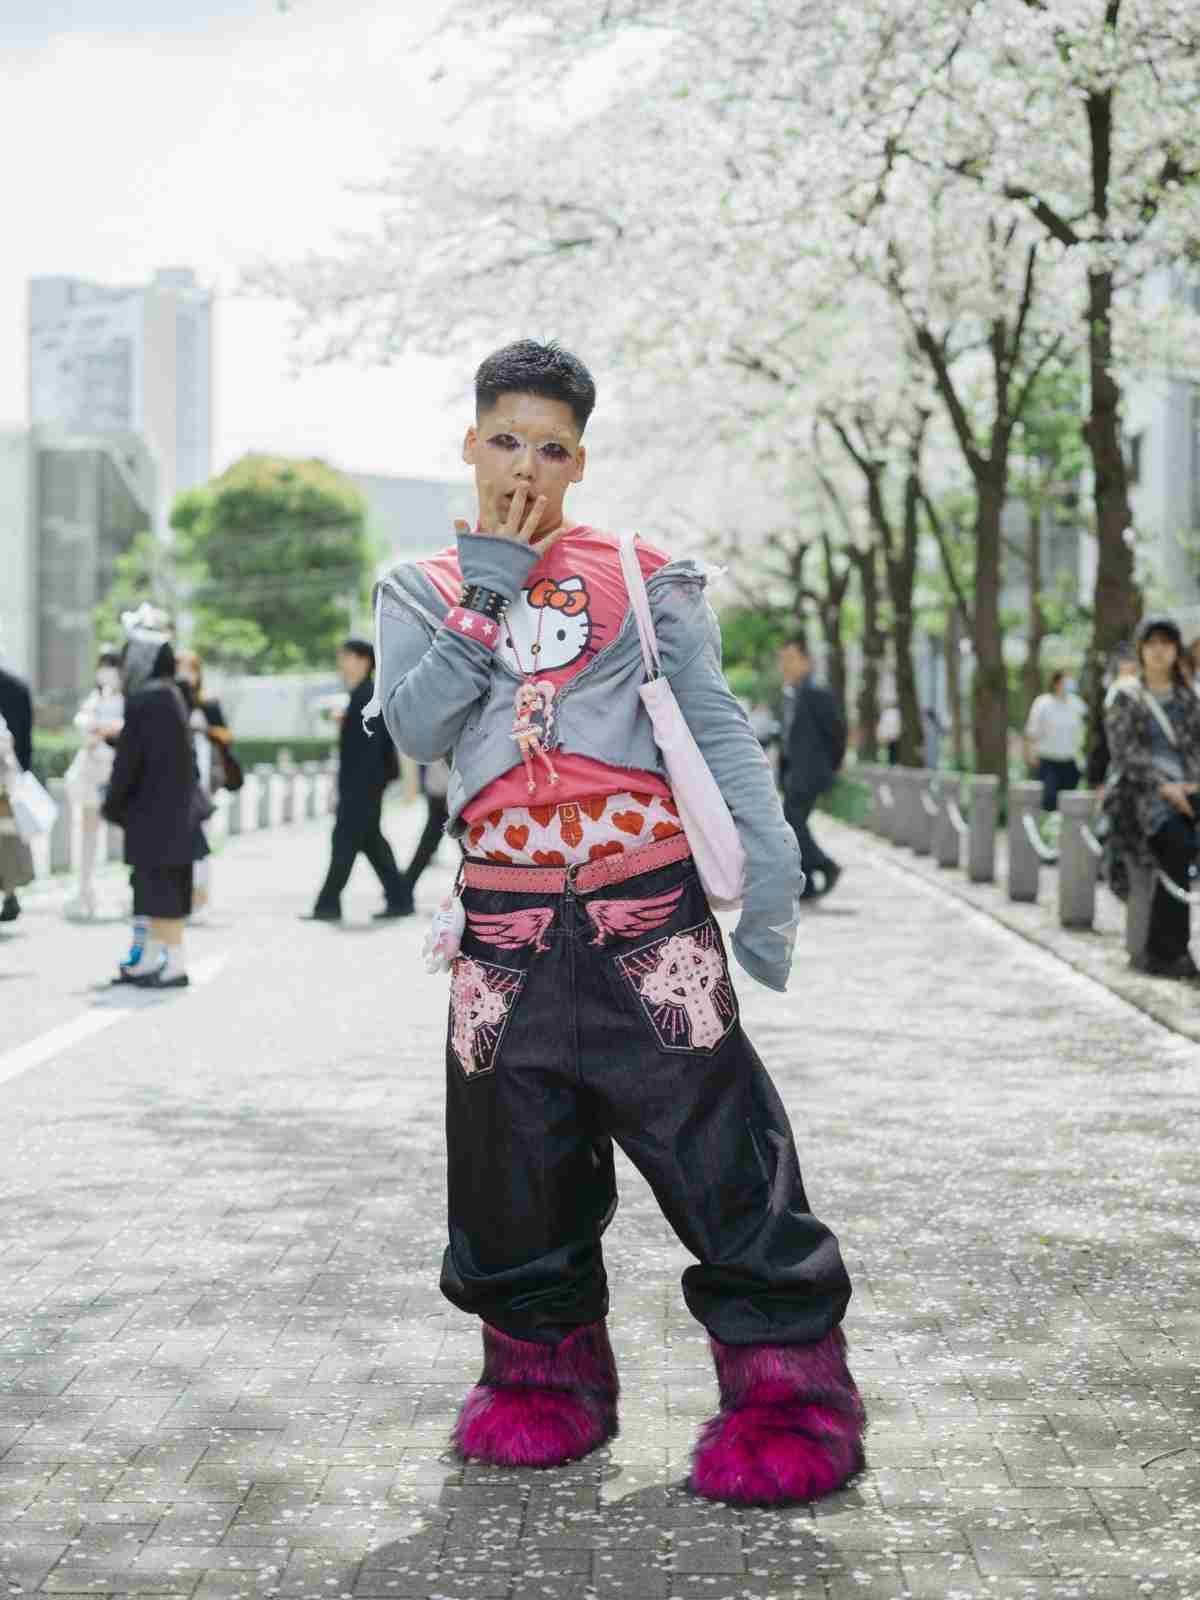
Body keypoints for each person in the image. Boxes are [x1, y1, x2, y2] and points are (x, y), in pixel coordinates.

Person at [372, 339, 862, 1507]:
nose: (524, 467)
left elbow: (717, 724)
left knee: (721, 1149)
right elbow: (419, 730)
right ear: (469, 442)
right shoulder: (418, 586)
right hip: (502, 932)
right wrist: (487, 588)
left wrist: (773, 876)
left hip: (653, 917)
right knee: (511, 1164)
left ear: (580, 460)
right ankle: (544, 1380)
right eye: (505, 440)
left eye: (551, 448)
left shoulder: (643, 576)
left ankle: (789, 1395)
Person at [1102, 615, 1200, 980]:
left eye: (1167, 644)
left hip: (1187, 789)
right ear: (1141, 650)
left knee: (1182, 838)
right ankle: (1167, 950)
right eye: (1152, 644)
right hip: (1140, 794)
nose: (1159, 651)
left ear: (1177, 650)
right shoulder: (1125, 696)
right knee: (1177, 842)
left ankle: (1171, 949)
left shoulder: (1189, 698)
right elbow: (1125, 755)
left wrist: (1191, 785)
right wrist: (1166, 787)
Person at [101, 623, 197, 988]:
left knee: (158, 891)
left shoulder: (146, 699)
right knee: (154, 890)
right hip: (171, 812)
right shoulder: (170, 694)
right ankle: (152, 961)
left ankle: (174, 966)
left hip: (152, 814)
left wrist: (112, 803)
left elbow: (130, 761)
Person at [306, 638, 409, 922]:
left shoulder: (367, 695)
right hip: (364, 786)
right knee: (372, 844)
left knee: (344, 841)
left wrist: (358, 789)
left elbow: (371, 749)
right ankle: (400, 899)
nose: (341, 663)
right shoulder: (363, 694)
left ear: (363, 660)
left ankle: (327, 904)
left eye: (346, 657)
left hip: (362, 787)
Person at [778, 635, 847, 901]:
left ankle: (825, 865)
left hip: (810, 774)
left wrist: (831, 767)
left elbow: (837, 733)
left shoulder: (816, 692)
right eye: (782, 660)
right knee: (793, 825)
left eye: (791, 659)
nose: (785, 666)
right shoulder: (792, 694)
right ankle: (806, 883)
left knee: (791, 823)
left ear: (806, 661)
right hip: (795, 774)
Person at [176, 649, 240, 917]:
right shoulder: (173, 701)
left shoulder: (208, 704)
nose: (185, 674)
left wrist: (205, 730)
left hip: (205, 781)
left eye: (190, 668)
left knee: (202, 839)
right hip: (179, 782)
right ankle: (183, 896)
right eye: (180, 667)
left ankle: (200, 896)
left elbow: (227, 736)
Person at [63, 649, 125, 920]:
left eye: (111, 665)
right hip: (91, 774)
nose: (106, 671)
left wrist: (102, 729)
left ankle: (128, 891)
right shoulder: (96, 697)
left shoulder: (126, 698)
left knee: (121, 835)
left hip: (116, 773)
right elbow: (84, 723)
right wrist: (100, 729)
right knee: (88, 835)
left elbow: (122, 728)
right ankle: (84, 890)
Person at [0, 664, 34, 923]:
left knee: (8, 840)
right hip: (10, 780)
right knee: (8, 840)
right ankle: (10, 894)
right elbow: (25, 739)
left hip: (6, 779)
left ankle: (10, 895)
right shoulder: (18, 686)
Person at [1024, 670, 1085, 811]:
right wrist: (1030, 752)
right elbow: (1031, 731)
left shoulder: (1077, 704)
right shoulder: (1042, 703)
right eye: (1065, 682)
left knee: (1069, 803)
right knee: (1048, 800)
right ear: (1056, 683)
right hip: (1048, 761)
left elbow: (1085, 728)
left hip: (1069, 761)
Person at [1086, 647, 1138, 794]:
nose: (1128, 664)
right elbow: (1101, 734)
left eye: (1130, 661)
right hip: (1110, 752)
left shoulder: (1140, 686)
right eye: (1124, 661)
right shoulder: (1110, 687)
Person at [400, 760, 451, 909]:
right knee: (430, 841)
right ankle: (404, 889)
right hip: (445, 787)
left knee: (430, 841)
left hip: (445, 787)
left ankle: (404, 889)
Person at [876, 701, 901, 765]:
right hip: (893, 734)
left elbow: (883, 725)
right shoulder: (895, 713)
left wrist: (882, 734)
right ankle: (892, 762)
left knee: (890, 749)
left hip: (890, 734)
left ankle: (891, 762)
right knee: (892, 749)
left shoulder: (887, 713)